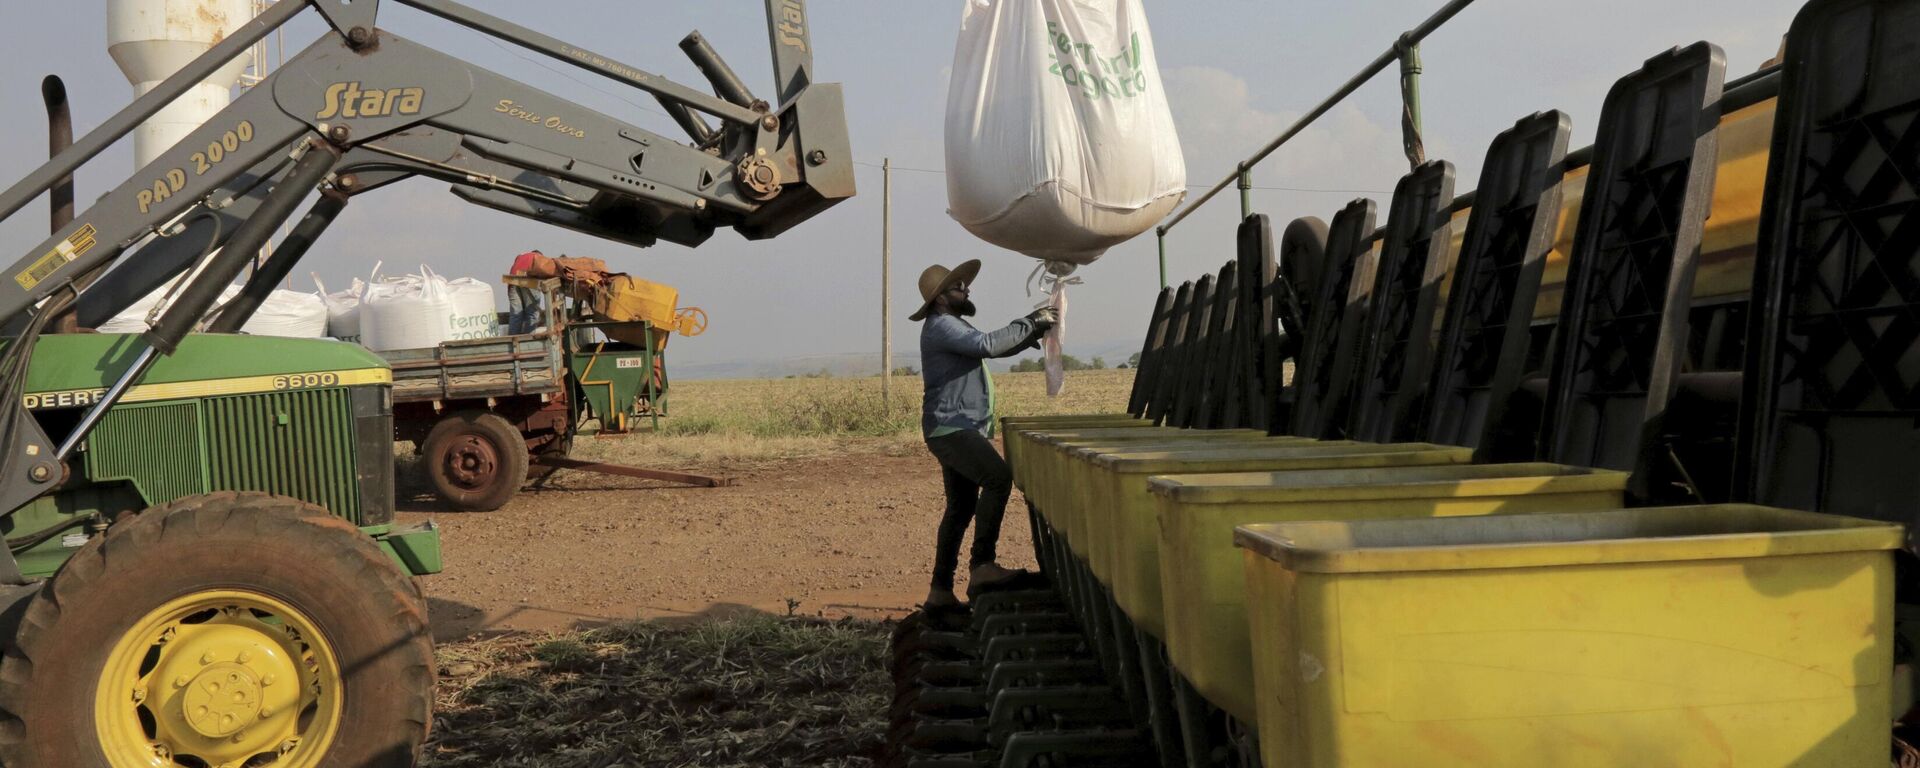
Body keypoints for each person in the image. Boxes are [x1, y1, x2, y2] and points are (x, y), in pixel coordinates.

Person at [912, 259, 1057, 609]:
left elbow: (989, 345)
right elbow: (988, 344)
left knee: (960, 507)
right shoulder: (942, 325)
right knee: (997, 478)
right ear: (941, 298)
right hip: (952, 427)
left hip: (952, 427)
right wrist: (1032, 321)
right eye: (959, 286)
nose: (967, 290)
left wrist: (1029, 336)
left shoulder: (948, 325)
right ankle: (982, 565)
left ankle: (940, 592)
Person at [507, 249, 545, 334]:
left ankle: (512, 340)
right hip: (529, 280)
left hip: (512, 281)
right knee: (532, 313)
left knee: (516, 314)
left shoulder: (520, 256)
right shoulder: (538, 257)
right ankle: (528, 341)